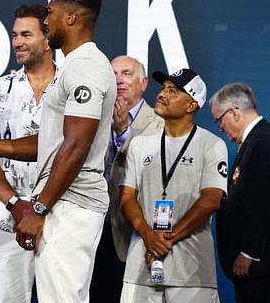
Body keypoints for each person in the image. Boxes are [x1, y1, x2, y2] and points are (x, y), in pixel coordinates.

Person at [0, 0, 116, 302]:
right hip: (59, 203)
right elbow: (51, 141)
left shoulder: (86, 66)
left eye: (51, 12)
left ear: (71, 18)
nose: (47, 21)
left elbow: (76, 145)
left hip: (72, 202)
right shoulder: (73, 67)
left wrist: (37, 207)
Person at [119, 68, 227, 302]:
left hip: (192, 273)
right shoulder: (139, 144)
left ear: (191, 105)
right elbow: (126, 197)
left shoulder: (212, 145)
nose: (162, 94)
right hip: (141, 268)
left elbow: (211, 200)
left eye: (173, 90)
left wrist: (165, 239)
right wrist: (149, 236)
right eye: (163, 88)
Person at [0, 4, 56, 303]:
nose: (17, 42)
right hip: (7, 214)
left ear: (48, 39)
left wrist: (41, 207)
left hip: (60, 212)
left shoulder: (69, 87)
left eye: (26, 34)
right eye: (14, 35)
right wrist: (14, 203)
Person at [90, 55, 163, 302]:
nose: (118, 80)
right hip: (93, 230)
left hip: (133, 233)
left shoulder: (160, 123)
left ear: (143, 83)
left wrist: (123, 133)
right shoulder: (92, 120)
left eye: (126, 73)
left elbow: (151, 168)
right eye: (113, 74)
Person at [209, 83, 270, 303]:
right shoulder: (252, 142)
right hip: (252, 269)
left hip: (259, 267)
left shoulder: (262, 141)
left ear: (234, 112)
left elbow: (263, 201)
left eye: (219, 120)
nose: (220, 127)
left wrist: (249, 252)